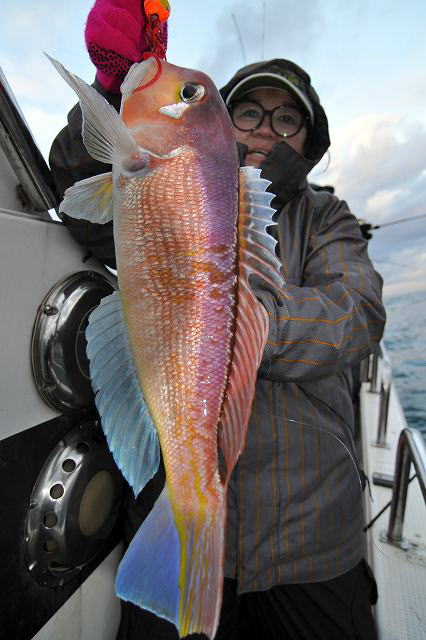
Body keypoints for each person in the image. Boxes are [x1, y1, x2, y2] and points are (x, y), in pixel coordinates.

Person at [49, 3, 385, 638]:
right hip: (178, 511)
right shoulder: (163, 177)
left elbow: (356, 313)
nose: (267, 130)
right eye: (250, 112)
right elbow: (78, 199)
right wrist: (111, 88)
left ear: (309, 142)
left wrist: (226, 320)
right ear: (223, 125)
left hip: (310, 542)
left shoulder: (326, 217)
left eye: (288, 119)